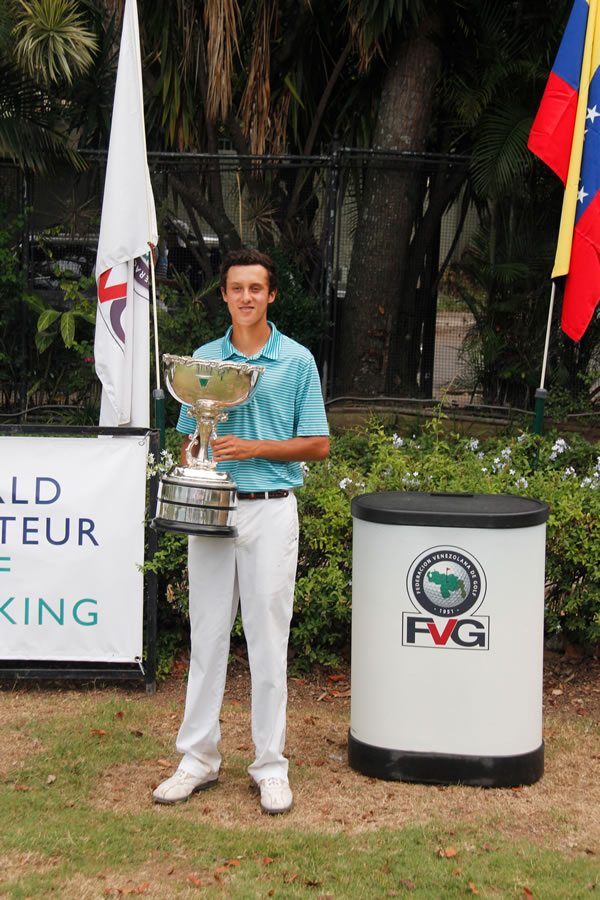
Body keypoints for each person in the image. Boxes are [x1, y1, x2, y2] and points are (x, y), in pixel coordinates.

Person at [153, 248, 330, 814]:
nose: (246, 297)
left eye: (256, 288)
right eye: (237, 288)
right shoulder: (204, 359)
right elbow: (189, 436)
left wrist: (254, 448)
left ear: (270, 295)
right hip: (213, 508)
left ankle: (270, 765)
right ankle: (197, 760)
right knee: (206, 638)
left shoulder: (297, 360)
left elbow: (318, 445)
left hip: (270, 510)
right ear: (225, 295)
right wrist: (196, 453)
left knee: (268, 642)